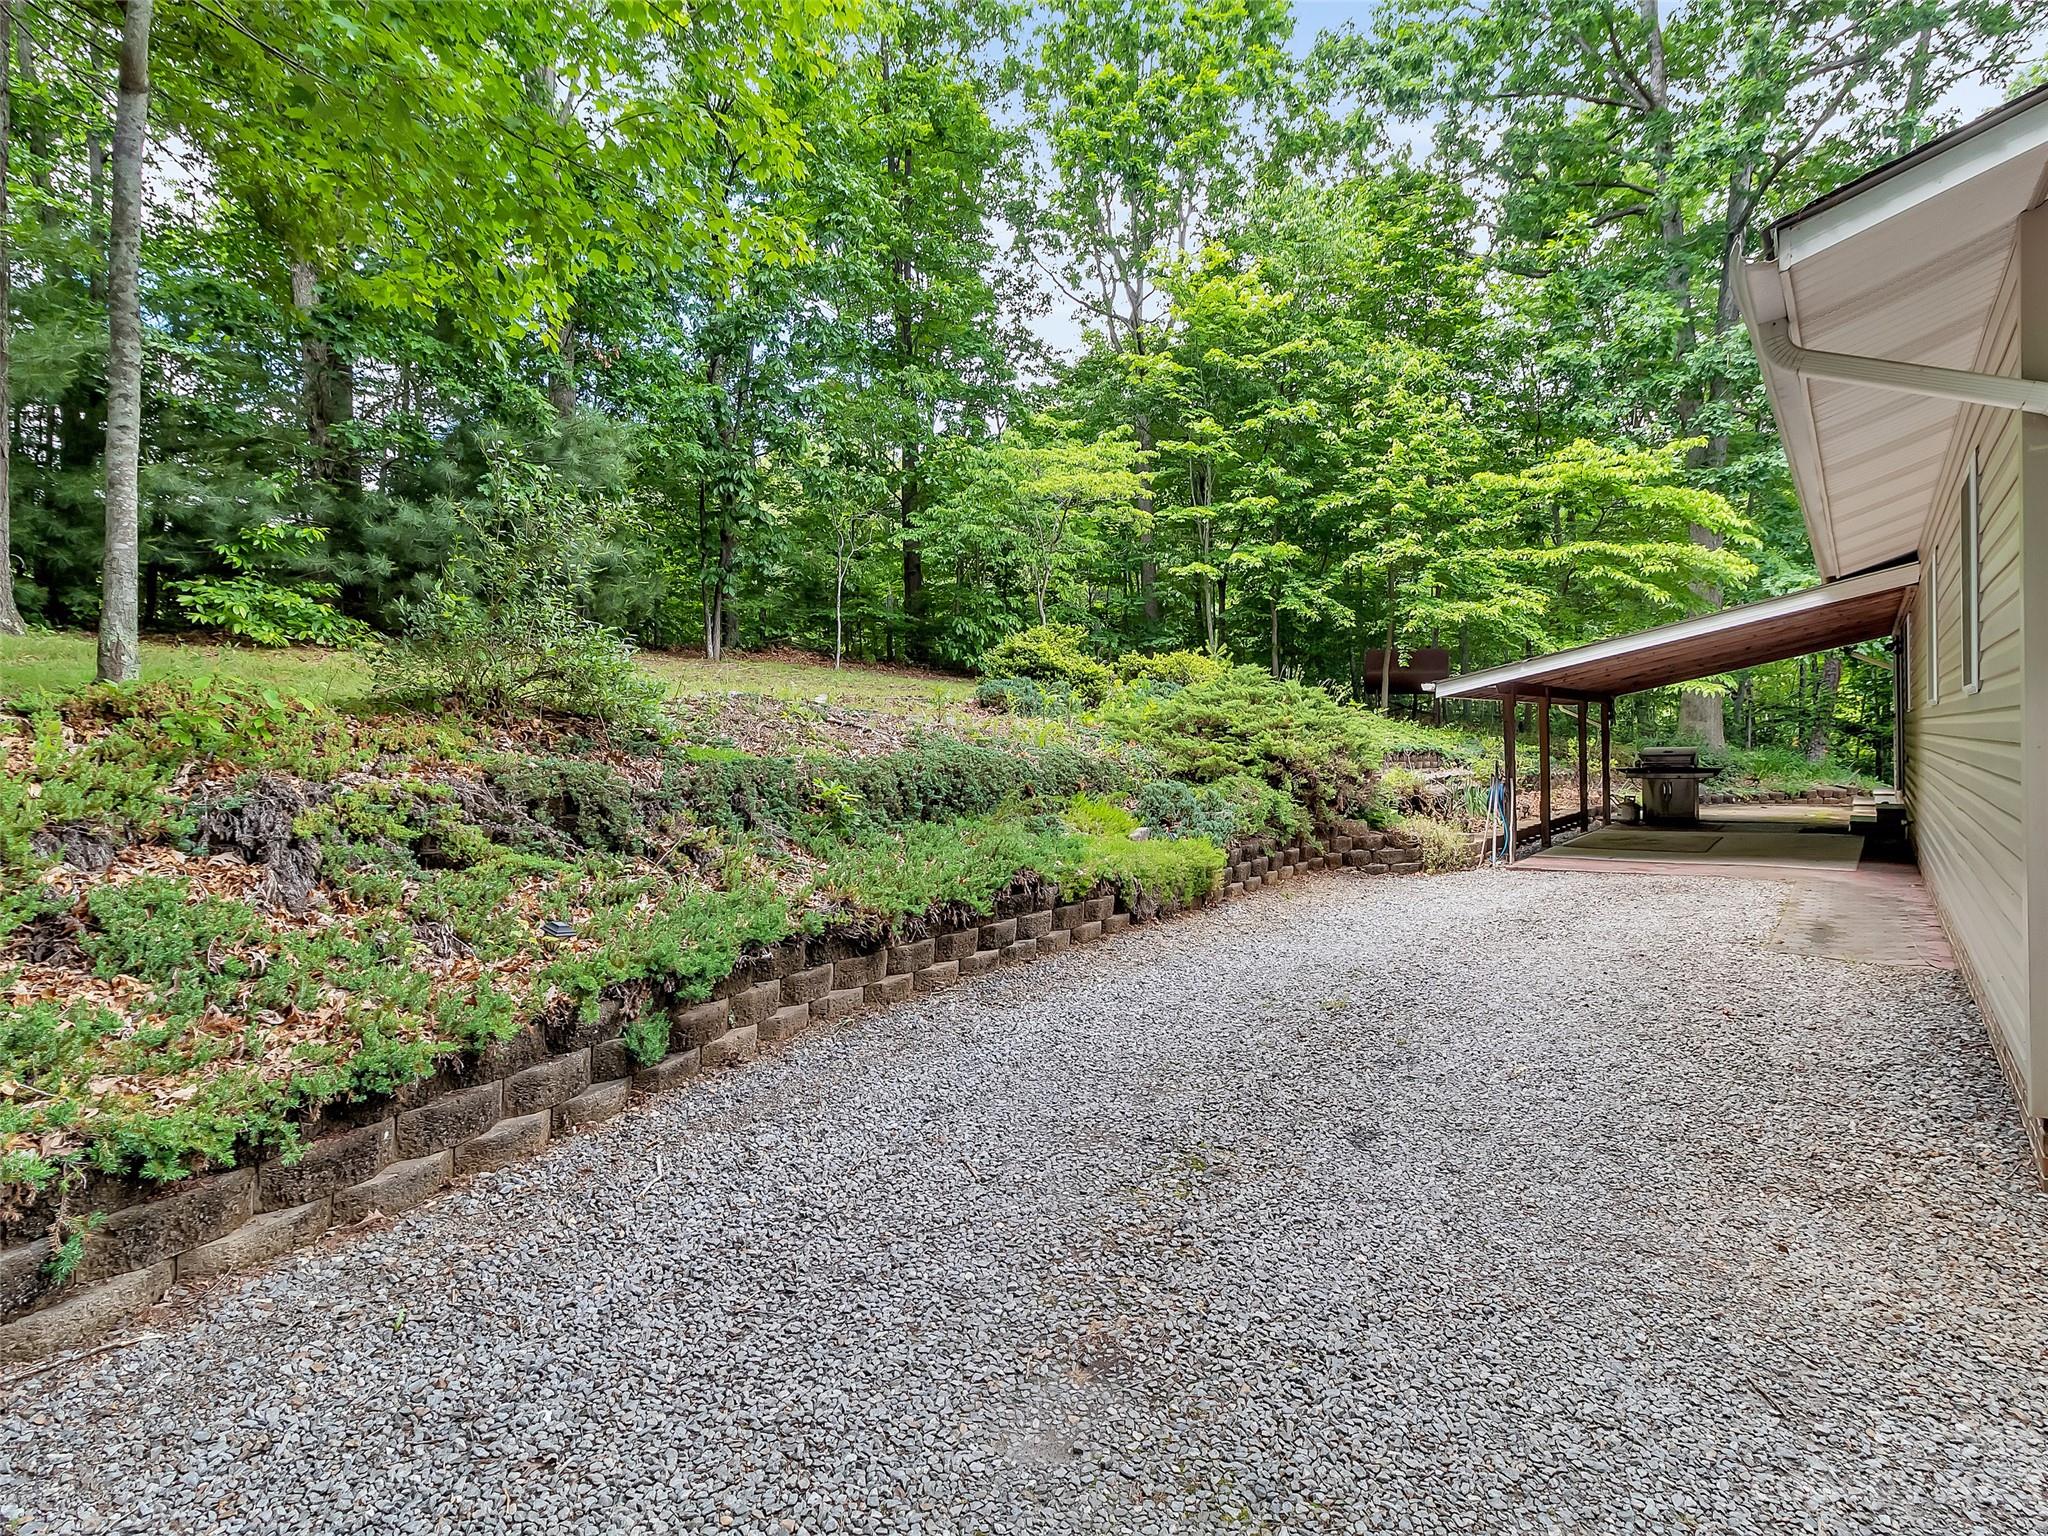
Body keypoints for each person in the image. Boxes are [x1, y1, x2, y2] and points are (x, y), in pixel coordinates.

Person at [1484, 762, 1510, 864]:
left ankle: (1507, 851)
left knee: (1507, 826)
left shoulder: (1501, 787)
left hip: (1499, 804)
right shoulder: (1495, 786)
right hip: (1496, 804)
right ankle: (1502, 853)